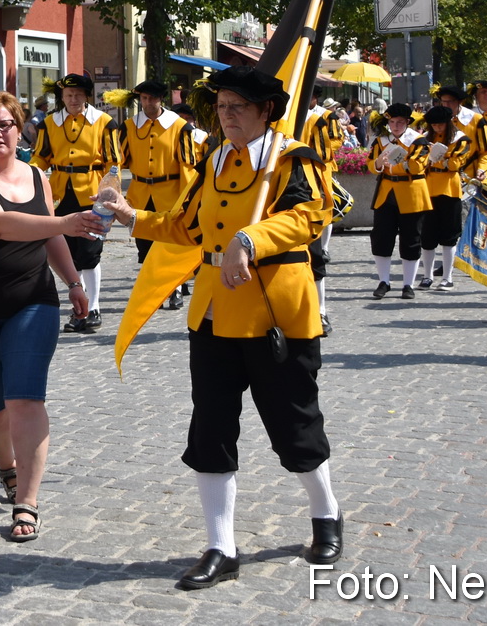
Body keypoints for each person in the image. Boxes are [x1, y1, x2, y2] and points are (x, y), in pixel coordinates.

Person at [99, 66, 341, 589]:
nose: (227, 116)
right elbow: (184, 225)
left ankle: (326, 514)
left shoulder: (293, 158)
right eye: (222, 107)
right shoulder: (212, 161)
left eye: (238, 107)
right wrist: (130, 215)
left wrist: (251, 239)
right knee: (211, 428)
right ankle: (220, 546)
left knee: (294, 423)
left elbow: (310, 215)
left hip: (275, 313)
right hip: (211, 314)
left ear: (265, 112)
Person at [0, 91, 98, 544]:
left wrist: (72, 282)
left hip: (33, 302)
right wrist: (66, 223)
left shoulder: (37, 177)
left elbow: (48, 236)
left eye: (6, 124)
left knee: (25, 399)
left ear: (20, 127)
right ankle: (6, 467)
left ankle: (27, 501)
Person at [32, 73, 118, 334]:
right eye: (68, 95)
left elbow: (113, 162)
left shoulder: (104, 122)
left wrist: (109, 193)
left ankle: (94, 308)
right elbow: (40, 158)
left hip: (92, 194)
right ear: (61, 97)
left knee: (90, 254)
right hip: (60, 194)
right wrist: (29, 177)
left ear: (86, 96)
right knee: (68, 254)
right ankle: (79, 309)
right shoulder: (49, 123)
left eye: (78, 95)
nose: (73, 99)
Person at [111, 80, 201, 312]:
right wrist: (114, 188)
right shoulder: (129, 126)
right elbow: (118, 160)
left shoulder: (180, 127)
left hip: (170, 192)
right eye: (143, 99)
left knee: (170, 244)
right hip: (140, 193)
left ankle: (176, 291)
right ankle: (154, 290)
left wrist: (187, 198)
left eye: (152, 98)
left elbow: (187, 165)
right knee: (145, 246)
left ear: (162, 100)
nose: (147, 103)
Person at [367, 102, 430, 300]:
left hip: (412, 193)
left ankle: (408, 284)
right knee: (381, 237)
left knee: (411, 239)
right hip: (386, 193)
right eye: (392, 122)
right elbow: (371, 163)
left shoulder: (418, 141)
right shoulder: (381, 141)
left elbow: (418, 166)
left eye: (400, 122)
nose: (395, 126)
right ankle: (383, 281)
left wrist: (395, 165)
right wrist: (378, 163)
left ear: (408, 123)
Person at [414, 106, 473, 291]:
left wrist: (437, 160)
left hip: (449, 190)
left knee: (449, 236)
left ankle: (448, 277)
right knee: (427, 236)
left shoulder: (460, 138)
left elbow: (455, 164)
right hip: (428, 189)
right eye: (434, 125)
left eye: (440, 125)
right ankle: (427, 276)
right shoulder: (425, 138)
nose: (437, 128)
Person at [300, 94, 345, 329]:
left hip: (312, 184)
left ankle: (320, 311)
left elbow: (331, 146)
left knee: (315, 254)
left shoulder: (321, 119)